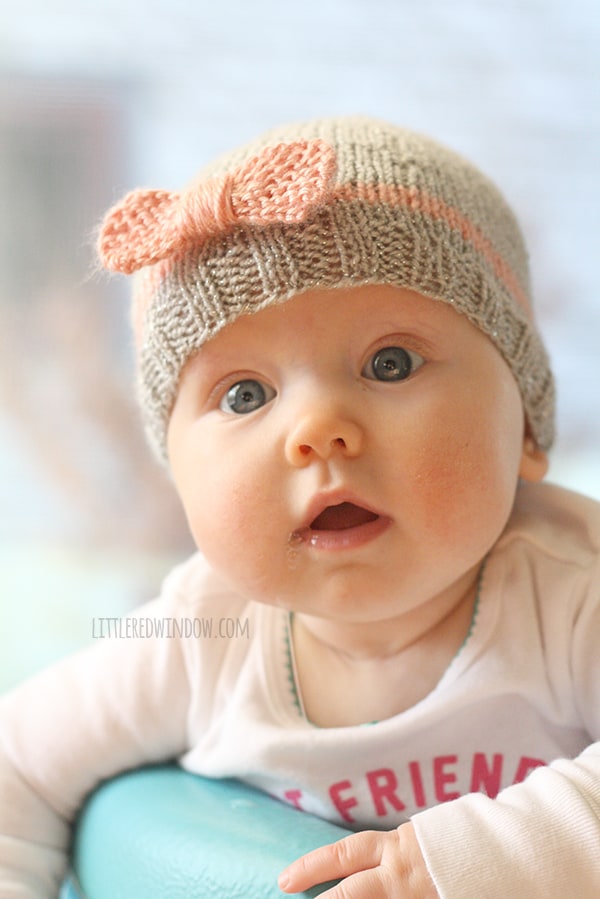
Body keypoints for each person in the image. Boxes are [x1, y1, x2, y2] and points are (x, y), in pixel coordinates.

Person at [0, 115, 598, 898]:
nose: (318, 431)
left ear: (523, 420)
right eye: (244, 394)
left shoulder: (567, 593)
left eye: (390, 362)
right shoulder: (199, 639)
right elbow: (18, 771)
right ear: (178, 475)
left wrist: (475, 855)